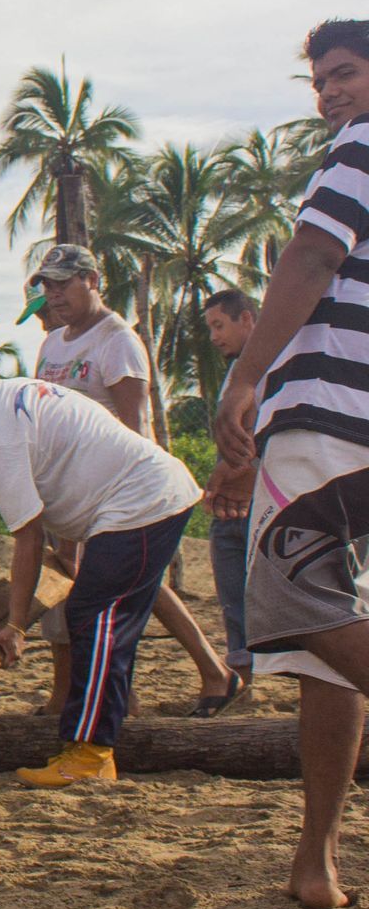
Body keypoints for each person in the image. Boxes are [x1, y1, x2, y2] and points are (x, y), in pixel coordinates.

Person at [213, 18, 369, 909]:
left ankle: (319, 856)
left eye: (344, 73)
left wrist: (247, 375)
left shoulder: (359, 148)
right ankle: (316, 862)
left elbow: (312, 255)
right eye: (319, 83)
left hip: (334, 418)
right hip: (341, 421)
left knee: (293, 603)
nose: (329, 95)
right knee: (328, 646)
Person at [0, 344, 200, 788]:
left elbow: (29, 537)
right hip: (142, 499)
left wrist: (16, 625)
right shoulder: (5, 398)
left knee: (95, 618)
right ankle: (102, 739)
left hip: (142, 502)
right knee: (104, 621)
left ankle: (91, 753)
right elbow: (68, 466)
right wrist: (69, 559)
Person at [30, 244, 235, 714]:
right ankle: (77, 690)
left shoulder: (116, 340)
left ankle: (197, 675)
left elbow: (135, 425)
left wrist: (125, 494)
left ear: (92, 280)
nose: (55, 294)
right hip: (71, 487)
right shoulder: (53, 343)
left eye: (64, 283)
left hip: (115, 487)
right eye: (48, 285)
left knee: (112, 586)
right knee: (99, 583)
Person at [198, 288, 259, 717]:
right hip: (235, 495)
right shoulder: (236, 370)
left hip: (263, 495)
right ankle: (242, 678)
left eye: (220, 325)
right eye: (211, 328)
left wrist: (226, 476)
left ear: (248, 320)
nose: (215, 336)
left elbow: (254, 434)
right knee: (232, 594)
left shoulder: (268, 367)